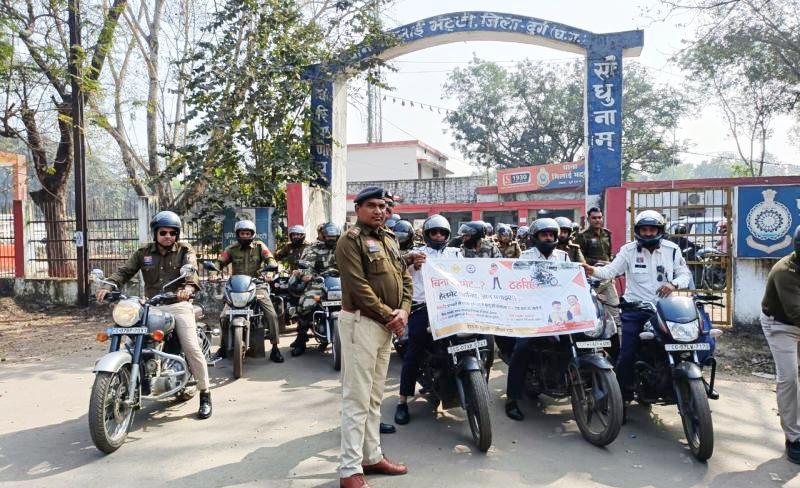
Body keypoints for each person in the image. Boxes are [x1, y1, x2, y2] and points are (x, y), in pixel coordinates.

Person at [95, 211, 213, 419]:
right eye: (163, 232)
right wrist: (108, 285)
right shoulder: (144, 252)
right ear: (155, 233)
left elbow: (191, 272)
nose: (168, 236)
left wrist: (186, 289)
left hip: (178, 303)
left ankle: (205, 393)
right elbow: (124, 272)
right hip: (150, 304)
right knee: (132, 335)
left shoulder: (185, 250)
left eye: (172, 233)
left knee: (191, 347)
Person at [335, 186, 412, 488]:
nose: (379, 211)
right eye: (372, 206)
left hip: (385, 325)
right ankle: (349, 471)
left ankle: (371, 456)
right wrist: (390, 316)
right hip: (361, 323)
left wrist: (403, 311)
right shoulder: (349, 241)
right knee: (356, 398)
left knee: (374, 398)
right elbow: (358, 288)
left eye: (383, 206)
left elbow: (404, 276)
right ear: (358, 209)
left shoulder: (390, 238)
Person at [582, 210, 692, 401]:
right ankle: (622, 396)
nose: (648, 233)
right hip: (636, 309)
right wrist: (592, 271)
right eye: (644, 229)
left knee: (683, 345)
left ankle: (681, 383)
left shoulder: (672, 249)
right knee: (627, 354)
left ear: (660, 230)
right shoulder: (628, 250)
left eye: (652, 229)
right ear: (638, 231)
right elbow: (611, 271)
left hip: (665, 308)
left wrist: (673, 284)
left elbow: (684, 274)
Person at [394, 214, 461, 426]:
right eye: (434, 232)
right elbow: (394, 270)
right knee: (415, 347)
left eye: (442, 232)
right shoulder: (417, 254)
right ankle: (403, 400)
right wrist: (410, 262)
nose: (438, 236)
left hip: (452, 307)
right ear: (426, 234)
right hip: (422, 309)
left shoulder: (457, 254)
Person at [505, 218, 570, 421]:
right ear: (535, 237)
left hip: (557, 312)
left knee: (576, 341)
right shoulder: (525, 257)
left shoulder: (564, 256)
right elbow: (517, 283)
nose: (548, 238)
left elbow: (573, 281)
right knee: (521, 348)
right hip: (532, 313)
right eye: (544, 234)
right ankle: (512, 399)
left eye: (551, 234)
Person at [211, 220, 284, 363]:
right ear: (237, 234)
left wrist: (270, 271)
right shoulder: (232, 248)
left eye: (247, 233)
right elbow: (220, 261)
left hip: (256, 285)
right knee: (224, 316)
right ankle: (223, 347)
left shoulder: (259, 247)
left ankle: (275, 348)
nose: (245, 236)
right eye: (242, 233)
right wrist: (214, 271)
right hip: (236, 286)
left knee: (271, 314)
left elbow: (271, 260)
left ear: (252, 234)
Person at [760, 226, 800, 463]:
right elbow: (796, 313)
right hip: (782, 325)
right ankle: (794, 437)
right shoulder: (785, 271)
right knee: (789, 378)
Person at [290, 222, 340, 357]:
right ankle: (301, 338)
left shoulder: (345, 247)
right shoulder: (313, 248)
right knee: (305, 305)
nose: (331, 239)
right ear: (323, 236)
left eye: (334, 237)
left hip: (343, 283)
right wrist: (306, 274)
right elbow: (306, 266)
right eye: (328, 237)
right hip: (319, 283)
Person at [574, 207, 620, 327]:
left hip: (607, 278)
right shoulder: (582, 236)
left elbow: (609, 254)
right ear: (589, 219)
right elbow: (579, 258)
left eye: (599, 217)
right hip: (591, 279)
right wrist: (600, 262)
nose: (597, 220)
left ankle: (617, 341)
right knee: (591, 311)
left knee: (615, 309)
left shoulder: (607, 233)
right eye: (594, 218)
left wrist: (611, 265)